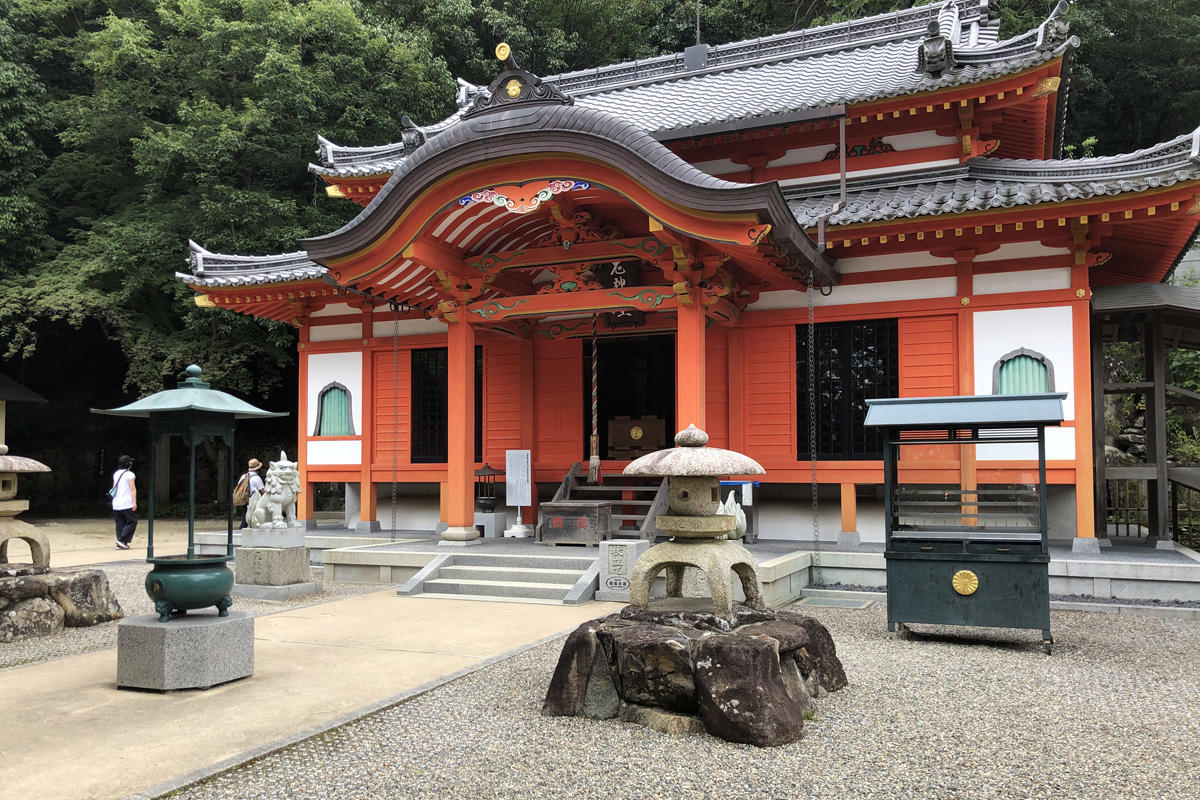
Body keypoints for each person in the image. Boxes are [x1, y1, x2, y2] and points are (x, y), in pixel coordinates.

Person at [111, 454, 137, 550]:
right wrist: (134, 502)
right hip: (126, 502)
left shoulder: (116, 473)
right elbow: (132, 489)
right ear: (129, 464)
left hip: (116, 502)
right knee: (133, 521)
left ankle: (121, 542)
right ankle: (122, 539)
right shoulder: (130, 474)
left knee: (120, 522)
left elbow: (114, 487)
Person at [236, 458, 265, 529]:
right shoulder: (257, 478)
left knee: (247, 514)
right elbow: (263, 491)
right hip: (252, 500)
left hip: (243, 498)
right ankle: (242, 529)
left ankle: (245, 528)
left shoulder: (244, 476)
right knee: (248, 516)